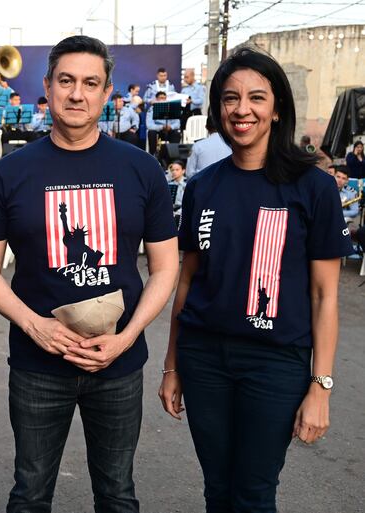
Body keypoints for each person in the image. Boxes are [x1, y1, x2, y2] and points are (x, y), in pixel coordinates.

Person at [0, 35, 179, 513]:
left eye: (90, 83)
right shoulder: (11, 171)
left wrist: (127, 337)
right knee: (29, 495)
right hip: (38, 363)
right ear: (49, 85)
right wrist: (33, 325)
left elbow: (166, 267)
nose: (77, 93)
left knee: (118, 495)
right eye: (66, 81)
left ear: (107, 92)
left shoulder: (142, 169)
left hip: (119, 364)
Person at [159, 45, 353, 513]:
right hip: (203, 358)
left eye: (256, 97)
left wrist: (320, 386)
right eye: (230, 98)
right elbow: (187, 282)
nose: (242, 109)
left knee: (253, 494)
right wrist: (172, 365)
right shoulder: (203, 187)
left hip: (275, 364)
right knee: (217, 490)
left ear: (276, 107)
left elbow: (325, 295)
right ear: (219, 108)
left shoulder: (314, 187)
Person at [167, 160, 186, 226]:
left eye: (177, 170)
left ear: (183, 171)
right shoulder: (169, 184)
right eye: (172, 170)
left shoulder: (187, 184)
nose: (174, 172)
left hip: (182, 214)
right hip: (171, 213)